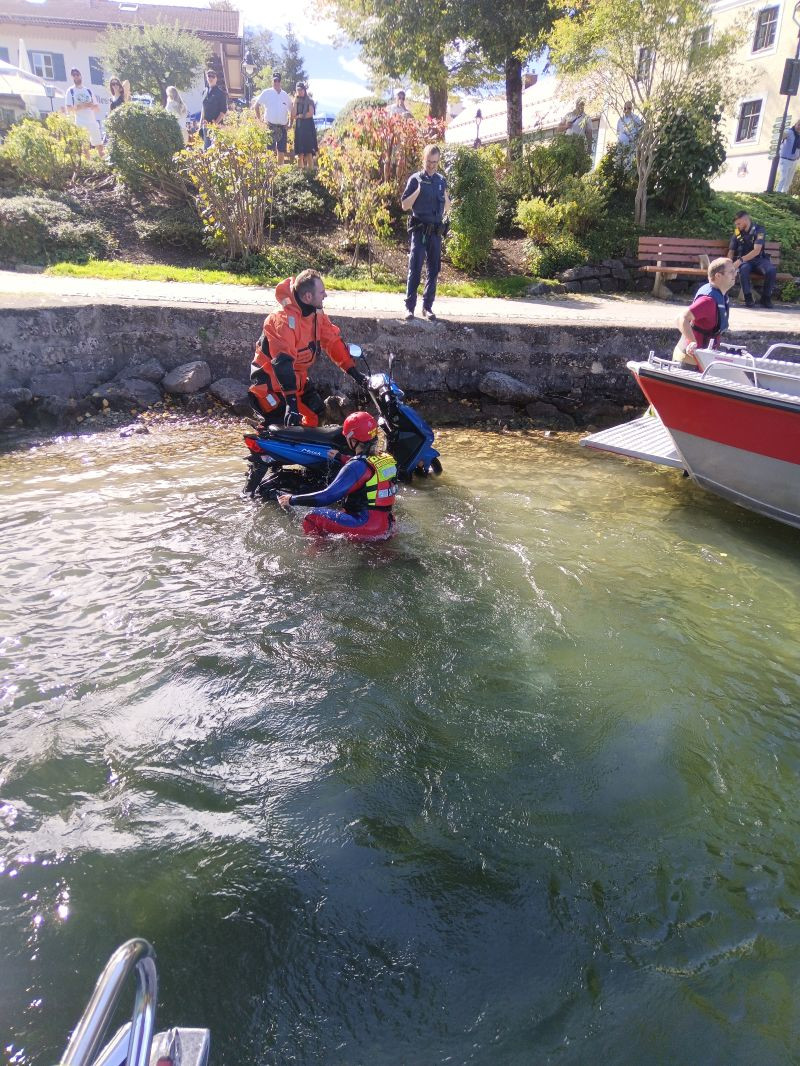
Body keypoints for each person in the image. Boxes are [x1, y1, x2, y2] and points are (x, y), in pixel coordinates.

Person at [250, 269, 369, 426]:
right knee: (283, 428)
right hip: (269, 388)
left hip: (296, 383)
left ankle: (305, 447)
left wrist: (356, 374)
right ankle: (265, 444)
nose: (325, 295)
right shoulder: (282, 321)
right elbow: (282, 364)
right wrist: (291, 403)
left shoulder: (316, 314)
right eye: (322, 292)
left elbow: (333, 342)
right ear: (308, 297)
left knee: (317, 415)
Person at [277, 411, 397, 540]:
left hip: (366, 525)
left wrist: (292, 499)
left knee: (312, 517)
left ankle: (315, 555)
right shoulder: (385, 458)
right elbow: (366, 467)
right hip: (388, 523)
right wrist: (340, 457)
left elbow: (326, 497)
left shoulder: (355, 466)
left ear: (352, 439)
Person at [400, 144, 451, 323]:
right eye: (429, 162)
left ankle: (427, 307)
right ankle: (409, 307)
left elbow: (447, 205)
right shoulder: (415, 179)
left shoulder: (440, 180)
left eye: (435, 163)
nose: (431, 166)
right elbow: (405, 205)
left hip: (435, 233)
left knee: (434, 270)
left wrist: (446, 203)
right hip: (420, 231)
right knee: (415, 268)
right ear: (424, 159)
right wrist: (418, 191)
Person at [673, 257, 737, 369]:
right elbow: (680, 318)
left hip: (704, 358)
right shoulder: (708, 301)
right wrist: (692, 341)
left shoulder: (720, 295)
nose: (735, 274)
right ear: (718, 276)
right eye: (731, 271)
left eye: (735, 271)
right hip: (689, 360)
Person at [727, 211, 777, 308]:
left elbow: (756, 251)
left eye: (739, 223)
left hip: (759, 260)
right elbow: (731, 251)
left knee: (771, 270)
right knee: (744, 269)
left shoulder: (759, 230)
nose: (737, 226)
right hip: (745, 262)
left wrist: (740, 260)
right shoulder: (737, 232)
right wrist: (729, 264)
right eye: (736, 224)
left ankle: (766, 298)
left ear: (746, 220)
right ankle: (748, 298)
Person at [253, 71, 291, 165]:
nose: (276, 82)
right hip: (270, 126)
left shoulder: (285, 95)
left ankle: (280, 172)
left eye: (278, 80)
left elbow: (292, 110)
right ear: (272, 81)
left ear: (280, 81)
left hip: (282, 127)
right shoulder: (267, 93)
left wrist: (290, 123)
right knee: (270, 150)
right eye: (275, 80)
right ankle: (270, 172)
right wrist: (260, 120)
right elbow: (256, 106)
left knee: (281, 150)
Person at [64, 68, 104, 156]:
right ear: (72, 77)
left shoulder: (88, 91)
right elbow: (69, 109)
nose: (76, 76)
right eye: (73, 75)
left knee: (99, 145)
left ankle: (104, 163)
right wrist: (83, 106)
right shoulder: (70, 91)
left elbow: (97, 108)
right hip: (80, 122)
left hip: (92, 121)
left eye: (77, 74)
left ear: (81, 75)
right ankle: (89, 166)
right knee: (85, 147)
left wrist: (92, 106)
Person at [291, 81, 317, 169]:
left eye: (301, 90)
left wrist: (301, 116)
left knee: (309, 152)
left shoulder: (309, 100)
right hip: (299, 129)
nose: (300, 91)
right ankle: (300, 175)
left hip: (308, 129)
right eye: (298, 90)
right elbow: (293, 115)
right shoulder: (296, 101)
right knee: (300, 153)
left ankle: (311, 173)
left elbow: (311, 113)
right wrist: (295, 102)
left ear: (304, 90)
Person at [201, 70, 227, 149]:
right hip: (205, 126)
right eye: (209, 76)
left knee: (215, 149)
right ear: (206, 78)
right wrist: (200, 123)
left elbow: (223, 112)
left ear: (216, 79)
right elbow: (203, 108)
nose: (211, 78)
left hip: (216, 126)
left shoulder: (220, 93)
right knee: (206, 149)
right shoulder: (204, 91)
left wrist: (215, 124)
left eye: (213, 76)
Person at [776, 118, 800, 194]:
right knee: (783, 177)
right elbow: (782, 135)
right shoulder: (789, 132)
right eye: (799, 125)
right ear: (796, 124)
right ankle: (778, 193)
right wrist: (781, 131)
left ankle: (784, 194)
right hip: (785, 159)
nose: (799, 127)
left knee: (789, 180)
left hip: (794, 161)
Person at [616, 101, 642, 168]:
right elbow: (618, 132)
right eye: (625, 108)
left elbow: (640, 131)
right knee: (619, 164)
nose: (626, 110)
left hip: (631, 144)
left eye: (629, 108)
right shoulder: (620, 120)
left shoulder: (636, 118)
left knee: (629, 164)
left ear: (632, 109)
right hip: (621, 145)